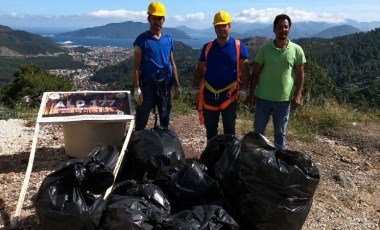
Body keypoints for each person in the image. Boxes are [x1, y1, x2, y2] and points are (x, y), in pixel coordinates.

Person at [249, 14, 306, 150]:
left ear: (289, 29)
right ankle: (255, 161)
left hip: (284, 100)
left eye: (286, 27)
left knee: (280, 135)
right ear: (274, 29)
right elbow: (255, 72)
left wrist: (298, 95)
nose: (283, 29)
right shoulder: (265, 50)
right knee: (258, 133)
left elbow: (300, 74)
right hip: (263, 98)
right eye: (280, 27)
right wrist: (251, 93)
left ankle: (278, 165)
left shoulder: (297, 50)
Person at [193, 10, 250, 140]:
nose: (221, 29)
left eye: (224, 25)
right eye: (218, 26)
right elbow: (200, 68)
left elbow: (245, 69)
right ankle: (212, 157)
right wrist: (195, 87)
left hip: (229, 95)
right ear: (214, 28)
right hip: (209, 94)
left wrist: (244, 89)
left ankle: (228, 158)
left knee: (229, 131)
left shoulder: (238, 46)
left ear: (229, 26)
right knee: (211, 130)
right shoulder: (208, 47)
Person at [133, 1, 181, 131]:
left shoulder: (168, 40)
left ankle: (164, 142)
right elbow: (136, 66)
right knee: (142, 117)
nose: (157, 21)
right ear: (149, 19)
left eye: (160, 18)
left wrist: (177, 85)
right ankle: (138, 143)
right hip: (148, 85)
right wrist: (136, 88)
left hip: (165, 84)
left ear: (164, 20)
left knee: (165, 116)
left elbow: (172, 63)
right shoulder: (141, 40)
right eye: (154, 18)